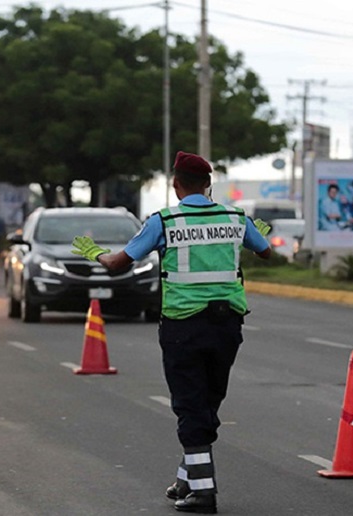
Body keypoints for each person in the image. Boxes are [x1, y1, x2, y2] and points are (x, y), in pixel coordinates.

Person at [71, 151, 271, 514]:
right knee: (207, 401)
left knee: (190, 404)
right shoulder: (235, 216)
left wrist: (95, 253)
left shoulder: (165, 220)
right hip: (228, 325)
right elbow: (266, 251)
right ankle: (187, 479)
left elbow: (118, 265)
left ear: (176, 184)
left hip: (184, 327)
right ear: (208, 185)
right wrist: (253, 235)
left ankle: (204, 492)